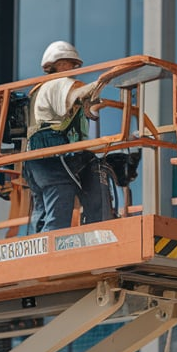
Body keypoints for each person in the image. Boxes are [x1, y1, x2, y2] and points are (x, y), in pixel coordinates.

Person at [23, 41, 115, 232]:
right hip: (52, 151)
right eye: (69, 64)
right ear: (59, 64)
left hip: (34, 156)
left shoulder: (40, 89)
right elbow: (77, 93)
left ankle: (37, 247)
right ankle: (93, 230)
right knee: (59, 206)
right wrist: (102, 82)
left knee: (43, 208)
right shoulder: (59, 83)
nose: (72, 69)